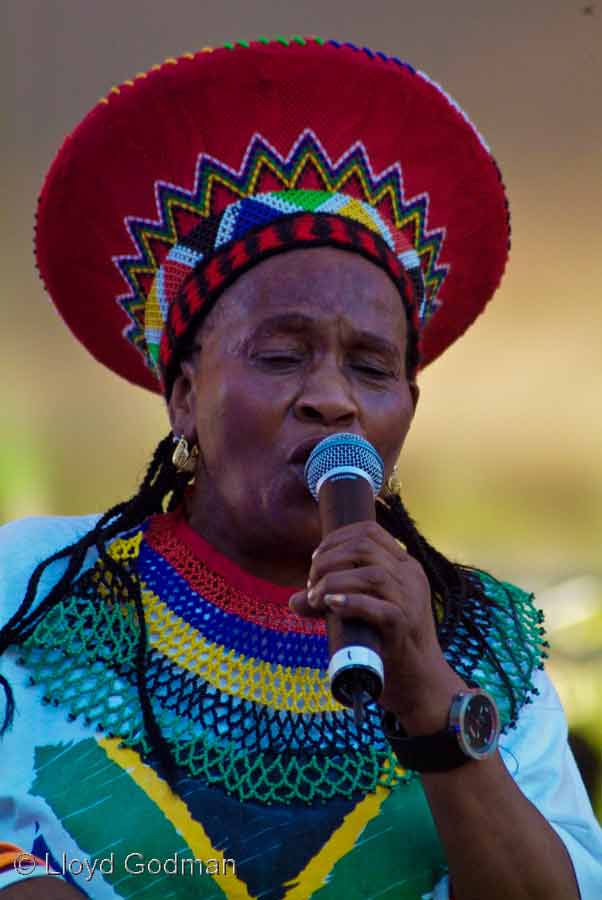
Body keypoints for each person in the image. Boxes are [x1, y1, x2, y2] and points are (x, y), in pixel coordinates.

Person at [1, 37, 601, 900]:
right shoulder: (33, 584)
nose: (332, 399)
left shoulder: (490, 647)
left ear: (409, 407)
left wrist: (432, 697)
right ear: (182, 397)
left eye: (370, 368)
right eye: (282, 356)